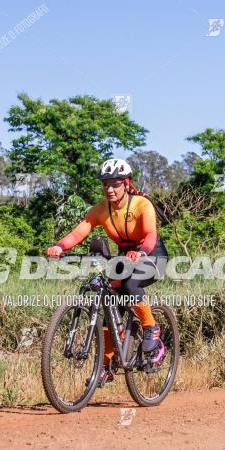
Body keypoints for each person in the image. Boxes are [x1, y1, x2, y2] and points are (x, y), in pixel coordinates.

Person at [46, 158, 169, 383]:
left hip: (152, 256)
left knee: (130, 285)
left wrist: (140, 252)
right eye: (105, 184)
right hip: (125, 258)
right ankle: (106, 364)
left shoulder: (142, 205)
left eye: (115, 184)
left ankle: (151, 328)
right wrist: (60, 246)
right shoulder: (102, 209)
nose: (109, 189)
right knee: (110, 305)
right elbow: (79, 231)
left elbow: (151, 235)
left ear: (126, 183)